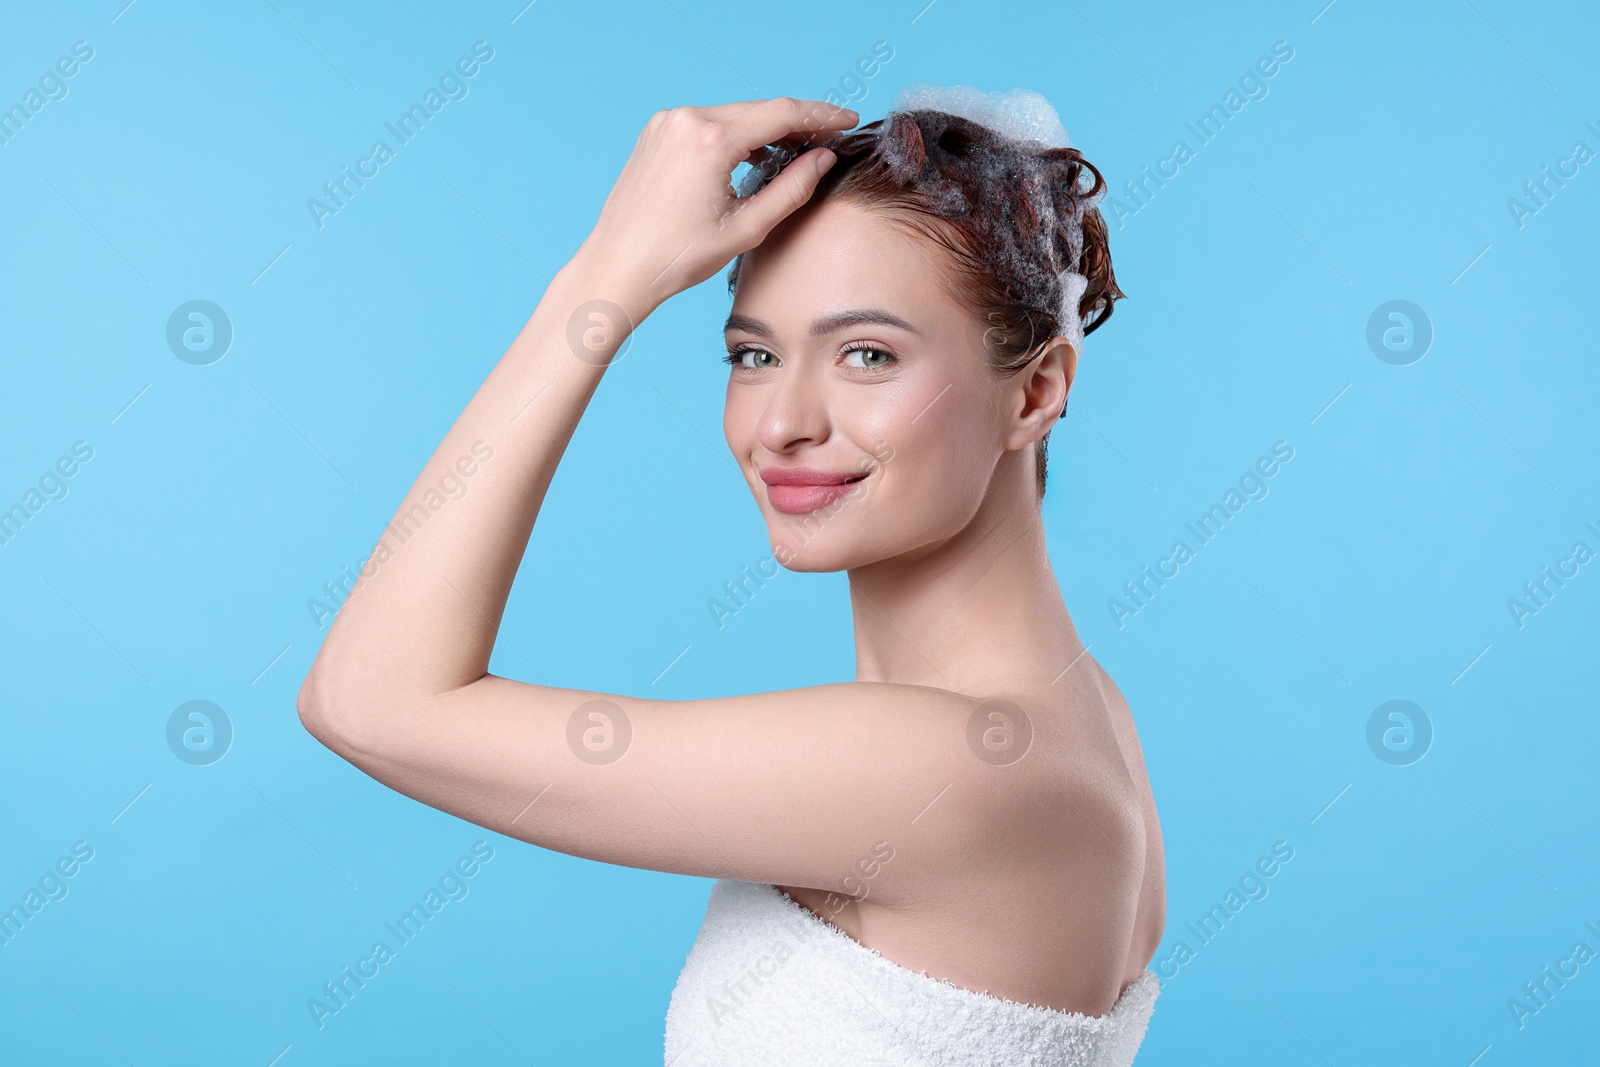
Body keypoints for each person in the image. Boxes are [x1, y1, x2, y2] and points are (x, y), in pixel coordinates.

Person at [297, 88, 1165, 1065]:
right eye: (752, 353)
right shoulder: (1086, 715)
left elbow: (368, 699)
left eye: (866, 352)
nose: (780, 422)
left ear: (1036, 389)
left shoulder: (958, 767)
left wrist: (603, 282)